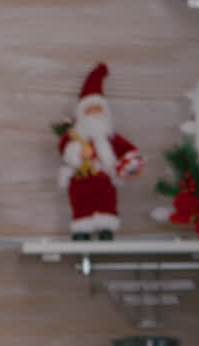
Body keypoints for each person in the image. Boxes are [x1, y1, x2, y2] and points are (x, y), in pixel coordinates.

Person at [57, 62, 145, 241]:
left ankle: (106, 230)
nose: (95, 114)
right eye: (90, 110)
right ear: (82, 114)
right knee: (81, 205)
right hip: (81, 179)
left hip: (105, 180)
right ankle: (82, 230)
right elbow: (63, 148)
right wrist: (77, 153)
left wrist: (130, 163)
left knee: (107, 204)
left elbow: (130, 151)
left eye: (99, 110)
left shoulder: (111, 138)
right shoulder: (74, 137)